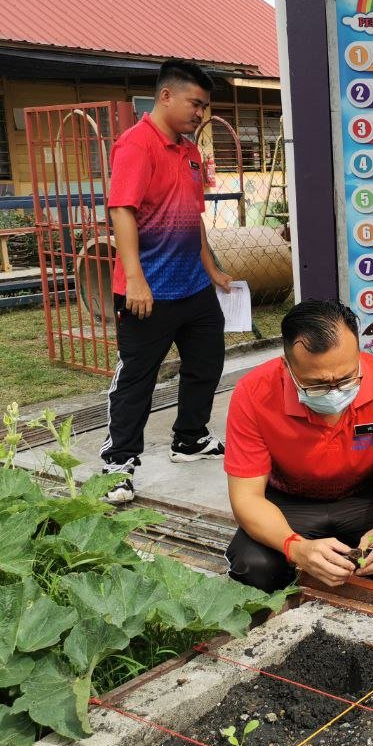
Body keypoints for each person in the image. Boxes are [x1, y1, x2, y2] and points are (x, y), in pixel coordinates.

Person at [224, 299, 373, 592]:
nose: (335, 392)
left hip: (363, 497)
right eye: (318, 384)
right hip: (289, 503)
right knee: (254, 567)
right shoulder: (253, 393)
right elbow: (246, 497)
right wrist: (295, 547)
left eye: (348, 378)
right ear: (287, 367)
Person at [100, 59, 234, 504]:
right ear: (166, 96)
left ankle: (190, 438)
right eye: (196, 103)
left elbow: (191, 216)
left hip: (193, 286)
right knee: (137, 377)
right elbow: (122, 209)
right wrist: (134, 278)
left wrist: (211, 268)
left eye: (204, 106)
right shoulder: (136, 146)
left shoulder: (190, 150)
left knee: (207, 362)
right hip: (148, 293)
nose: (200, 113)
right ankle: (118, 463)